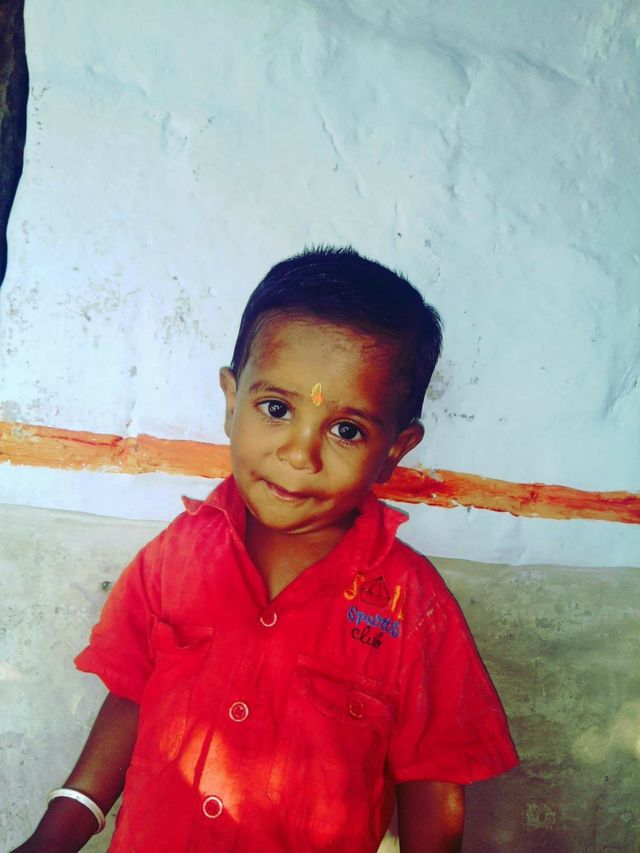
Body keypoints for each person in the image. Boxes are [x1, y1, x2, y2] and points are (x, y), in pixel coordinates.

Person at [14, 247, 518, 852]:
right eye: (276, 409)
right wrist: (57, 833)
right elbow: (132, 694)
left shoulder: (412, 607)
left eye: (347, 429)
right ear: (232, 403)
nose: (299, 454)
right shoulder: (175, 559)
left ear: (394, 450)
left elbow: (432, 782)